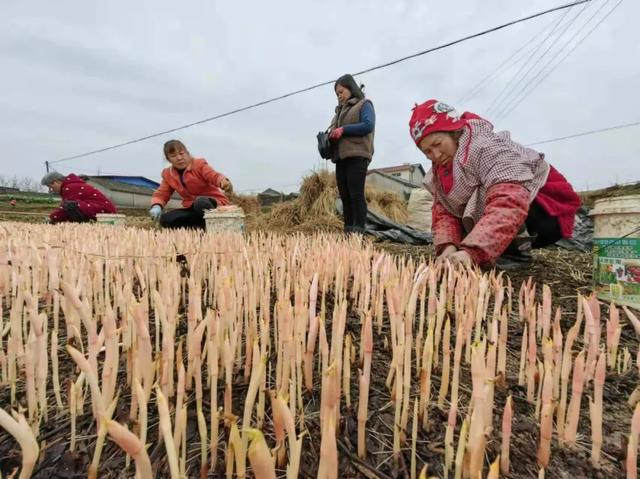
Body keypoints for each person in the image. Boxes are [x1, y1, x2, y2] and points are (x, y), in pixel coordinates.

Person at [408, 99, 581, 268]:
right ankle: (494, 248)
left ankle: (515, 251)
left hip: (546, 213)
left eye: (438, 144)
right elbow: (445, 211)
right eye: (427, 151)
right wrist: (447, 247)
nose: (436, 155)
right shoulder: (440, 171)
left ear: (453, 132)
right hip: (507, 215)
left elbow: (509, 200)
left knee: (492, 191)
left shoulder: (487, 147)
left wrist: (473, 252)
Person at [328, 74, 376, 235]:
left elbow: (368, 125)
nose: (339, 96)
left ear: (351, 88)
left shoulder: (364, 104)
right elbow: (333, 130)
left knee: (356, 195)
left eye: (341, 92)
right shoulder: (339, 112)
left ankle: (359, 232)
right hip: (340, 158)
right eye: (337, 94)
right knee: (345, 197)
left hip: (357, 155)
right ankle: (348, 232)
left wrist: (344, 130)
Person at [150, 140, 233, 229]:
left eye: (181, 153)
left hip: (213, 204)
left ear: (187, 153)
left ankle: (213, 226)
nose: (179, 158)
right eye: (173, 156)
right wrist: (156, 205)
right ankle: (199, 227)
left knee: (201, 203)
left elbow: (212, 175)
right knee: (166, 219)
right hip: (192, 208)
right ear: (168, 159)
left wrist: (222, 181)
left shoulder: (199, 164)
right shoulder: (168, 174)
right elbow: (162, 193)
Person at [41, 172, 117, 224]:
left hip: (104, 212)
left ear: (56, 182)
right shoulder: (71, 185)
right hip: (101, 210)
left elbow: (65, 209)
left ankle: (86, 223)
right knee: (70, 206)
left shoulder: (70, 187)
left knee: (70, 205)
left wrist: (52, 219)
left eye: (51, 187)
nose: (51, 190)